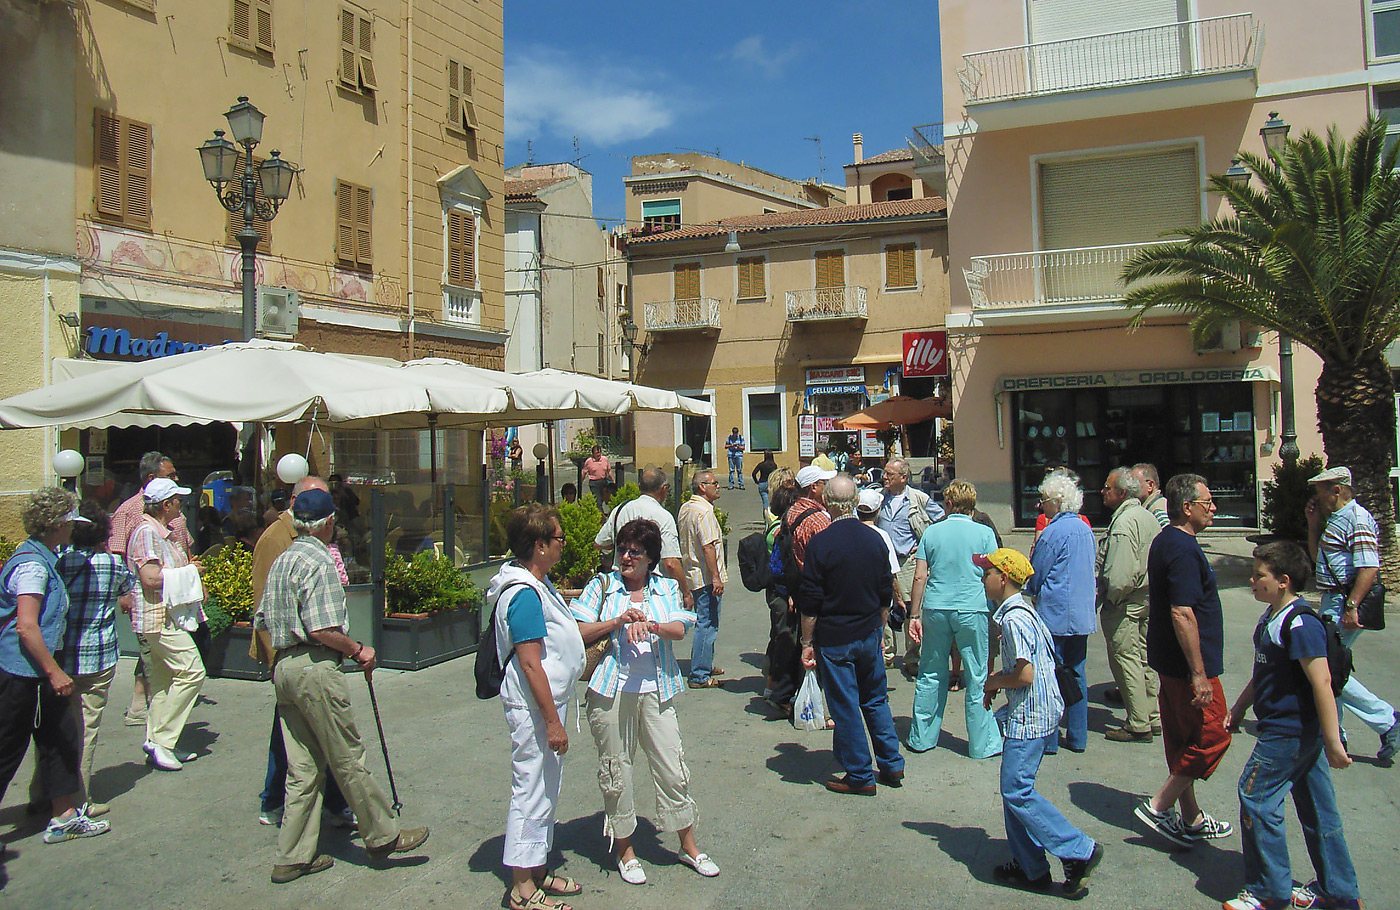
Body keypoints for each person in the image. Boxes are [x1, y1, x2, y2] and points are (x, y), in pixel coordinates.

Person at [256, 488, 428, 884]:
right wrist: (358, 650)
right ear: (329, 523)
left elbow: (262, 617)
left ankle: (292, 856)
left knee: (302, 767)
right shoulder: (320, 561)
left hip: (283, 665)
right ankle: (383, 835)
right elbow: (321, 629)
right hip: (314, 667)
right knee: (347, 756)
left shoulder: (283, 559)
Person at [573, 518, 718, 886]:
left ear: (650, 558)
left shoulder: (667, 588)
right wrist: (617, 621)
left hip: (657, 689)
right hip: (610, 691)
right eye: (622, 550)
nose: (625, 557)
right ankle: (625, 849)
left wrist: (651, 625)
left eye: (634, 552)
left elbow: (682, 629)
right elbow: (577, 630)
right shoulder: (601, 586)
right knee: (616, 771)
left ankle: (688, 844)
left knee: (671, 766)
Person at [1222, 542, 1362, 910]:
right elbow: (1264, 673)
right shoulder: (1272, 616)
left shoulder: (1300, 623)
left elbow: (1322, 683)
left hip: (1290, 732)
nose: (1252, 581)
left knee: (1256, 798)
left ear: (1283, 581)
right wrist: (1238, 710)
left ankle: (1268, 891)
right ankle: (1340, 891)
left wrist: (1333, 742)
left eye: (1259, 576)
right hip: (1290, 730)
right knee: (1318, 807)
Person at [980, 548, 1103, 899]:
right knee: (1012, 791)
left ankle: (1078, 849)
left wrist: (993, 682)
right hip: (1042, 709)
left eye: (987, 572)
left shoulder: (1014, 619)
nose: (983, 578)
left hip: (1031, 715)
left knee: (1017, 790)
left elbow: (1025, 674)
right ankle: (1029, 866)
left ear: (1004, 578)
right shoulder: (1024, 610)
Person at [0, 488, 112, 844]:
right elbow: (27, 626)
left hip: (33, 671)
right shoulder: (33, 565)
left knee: (60, 738)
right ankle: (63, 815)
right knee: (8, 747)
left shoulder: (41, 555)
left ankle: (64, 816)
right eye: (69, 523)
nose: (72, 530)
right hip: (25, 673)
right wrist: (54, 671)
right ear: (58, 525)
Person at [489, 503, 586, 910]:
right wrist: (552, 722)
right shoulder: (524, 595)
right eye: (558, 538)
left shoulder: (537, 583)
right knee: (530, 787)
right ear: (539, 545)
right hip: (534, 709)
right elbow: (530, 662)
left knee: (547, 785)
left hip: (547, 704)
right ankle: (522, 886)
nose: (564, 544)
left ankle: (538, 867)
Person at [1135, 474, 1234, 848]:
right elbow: (1182, 612)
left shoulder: (1170, 542)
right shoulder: (1180, 548)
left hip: (1171, 662)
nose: (1213, 507)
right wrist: (1199, 674)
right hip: (1187, 667)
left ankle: (1190, 817)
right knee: (1214, 732)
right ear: (1187, 507)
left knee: (1182, 737)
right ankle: (1160, 804)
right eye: (1207, 502)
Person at [250, 476, 352, 829]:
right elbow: (264, 604)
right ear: (296, 502)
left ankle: (330, 807)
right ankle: (275, 801)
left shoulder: (311, 543)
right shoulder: (278, 541)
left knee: (315, 744)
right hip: (297, 654)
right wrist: (275, 655)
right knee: (305, 741)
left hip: (309, 656)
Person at [798, 474, 905, 795]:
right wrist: (880, 626)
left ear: (827, 502)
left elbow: (811, 601)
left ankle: (859, 774)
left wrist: (806, 642)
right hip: (868, 631)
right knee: (875, 699)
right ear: (855, 501)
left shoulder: (822, 544)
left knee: (845, 705)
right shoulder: (874, 538)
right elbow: (885, 590)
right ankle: (891, 761)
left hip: (835, 636)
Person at [41, 502, 134, 818]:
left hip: (62, 655)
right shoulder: (112, 565)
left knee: (54, 727)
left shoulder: (59, 562)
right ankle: (78, 797)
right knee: (87, 727)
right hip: (98, 653)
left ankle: (44, 794)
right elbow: (128, 590)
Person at [1305, 465, 1399, 763]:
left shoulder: (1357, 519)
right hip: (1333, 601)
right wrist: (1312, 525)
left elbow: (1369, 566)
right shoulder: (1336, 519)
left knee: (1330, 669)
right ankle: (1336, 732)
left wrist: (1352, 605)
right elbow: (1318, 557)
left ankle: (1386, 720)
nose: (1316, 496)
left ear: (1337, 490)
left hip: (1342, 602)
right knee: (1329, 668)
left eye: (1321, 490)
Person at [906, 480, 1001, 759]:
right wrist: (997, 613)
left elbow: (920, 575)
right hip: (973, 607)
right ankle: (981, 744)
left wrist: (914, 613)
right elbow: (993, 575)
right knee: (977, 674)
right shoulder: (984, 533)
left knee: (931, 672)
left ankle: (922, 736)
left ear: (948, 504)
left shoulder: (932, 533)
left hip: (937, 606)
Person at [126, 476, 206, 772]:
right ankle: (163, 740)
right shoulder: (148, 532)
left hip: (165, 615)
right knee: (192, 671)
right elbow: (150, 578)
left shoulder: (164, 533)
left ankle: (156, 742)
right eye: (177, 500)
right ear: (164, 504)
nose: (181, 505)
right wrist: (188, 571)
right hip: (159, 617)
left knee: (161, 683)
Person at [108, 452, 190, 727]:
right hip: (151, 599)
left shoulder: (174, 509)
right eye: (171, 475)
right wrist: (124, 593)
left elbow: (183, 542)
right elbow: (117, 554)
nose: (177, 478)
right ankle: (140, 703)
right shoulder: (130, 512)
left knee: (161, 657)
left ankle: (156, 714)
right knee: (156, 654)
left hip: (177, 597)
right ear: (152, 479)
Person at [1024, 471, 1097, 753]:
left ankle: (1050, 738)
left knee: (1051, 676)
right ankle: (1078, 736)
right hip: (1080, 612)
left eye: (1043, 500)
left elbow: (1036, 572)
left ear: (1056, 501)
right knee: (1077, 673)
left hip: (1055, 613)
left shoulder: (1053, 531)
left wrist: (1030, 590)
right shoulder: (1084, 528)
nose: (1041, 505)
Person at [1096, 467, 1161, 743]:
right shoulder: (1147, 517)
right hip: (1148, 597)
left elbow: (1119, 574)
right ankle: (1152, 715)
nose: (1102, 492)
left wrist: (1111, 597)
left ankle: (1138, 723)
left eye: (1107, 488)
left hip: (1127, 601)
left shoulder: (1124, 523)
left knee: (1126, 658)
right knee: (1144, 657)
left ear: (1122, 493)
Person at [877, 458, 943, 677]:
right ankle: (887, 653)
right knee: (883, 604)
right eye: (885, 473)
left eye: (890, 474)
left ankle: (912, 656)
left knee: (909, 608)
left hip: (908, 561)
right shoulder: (880, 498)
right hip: (884, 560)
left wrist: (923, 546)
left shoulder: (918, 499)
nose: (885, 477)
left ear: (903, 477)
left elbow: (940, 519)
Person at [596, 468, 691, 609]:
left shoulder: (620, 510)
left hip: (619, 586)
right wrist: (686, 593)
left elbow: (599, 543)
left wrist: (622, 547)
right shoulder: (663, 517)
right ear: (664, 489)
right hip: (651, 590)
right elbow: (670, 562)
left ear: (639, 487)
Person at [677, 470, 726, 688]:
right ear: (702, 487)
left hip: (691, 574)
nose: (718, 486)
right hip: (704, 577)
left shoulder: (686, 508)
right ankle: (700, 674)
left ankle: (704, 662)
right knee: (707, 624)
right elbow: (708, 546)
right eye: (714, 483)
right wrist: (716, 577)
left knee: (705, 621)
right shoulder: (704, 512)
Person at [1132, 463, 1170, 530]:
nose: (1130, 488)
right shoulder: (1151, 507)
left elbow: (1169, 536)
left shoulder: (1157, 511)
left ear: (1150, 485)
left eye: (1135, 483)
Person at [582, 445, 611, 509]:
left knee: (607, 499)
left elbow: (609, 471)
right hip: (594, 483)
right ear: (593, 454)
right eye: (596, 453)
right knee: (598, 500)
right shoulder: (589, 461)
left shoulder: (605, 459)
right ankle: (600, 515)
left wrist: (613, 480)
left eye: (599, 452)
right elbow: (584, 472)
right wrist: (581, 481)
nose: (598, 454)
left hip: (604, 481)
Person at [751, 451, 778, 515]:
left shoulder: (761, 464)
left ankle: (766, 518)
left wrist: (756, 481)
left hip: (762, 483)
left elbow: (753, 473)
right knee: (772, 502)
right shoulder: (774, 465)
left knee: (765, 502)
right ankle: (772, 516)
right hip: (771, 483)